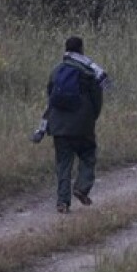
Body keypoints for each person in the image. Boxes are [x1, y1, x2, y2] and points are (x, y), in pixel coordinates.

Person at [45, 36, 105, 214]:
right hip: (82, 124)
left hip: (58, 126)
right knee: (88, 155)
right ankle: (82, 187)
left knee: (63, 163)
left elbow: (50, 96)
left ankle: (62, 203)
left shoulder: (56, 71)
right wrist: (91, 117)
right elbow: (97, 99)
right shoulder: (89, 71)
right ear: (81, 49)